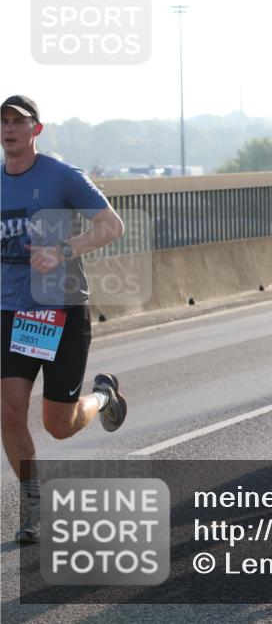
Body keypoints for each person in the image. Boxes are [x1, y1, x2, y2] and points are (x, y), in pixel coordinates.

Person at [1, 95, 127, 544]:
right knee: (10, 412)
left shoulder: (61, 176)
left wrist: (63, 250)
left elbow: (112, 226)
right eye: (3, 121)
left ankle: (103, 395)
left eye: (19, 121)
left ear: (36, 130)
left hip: (62, 310)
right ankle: (36, 507)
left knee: (59, 424)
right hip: (11, 312)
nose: (9, 128)